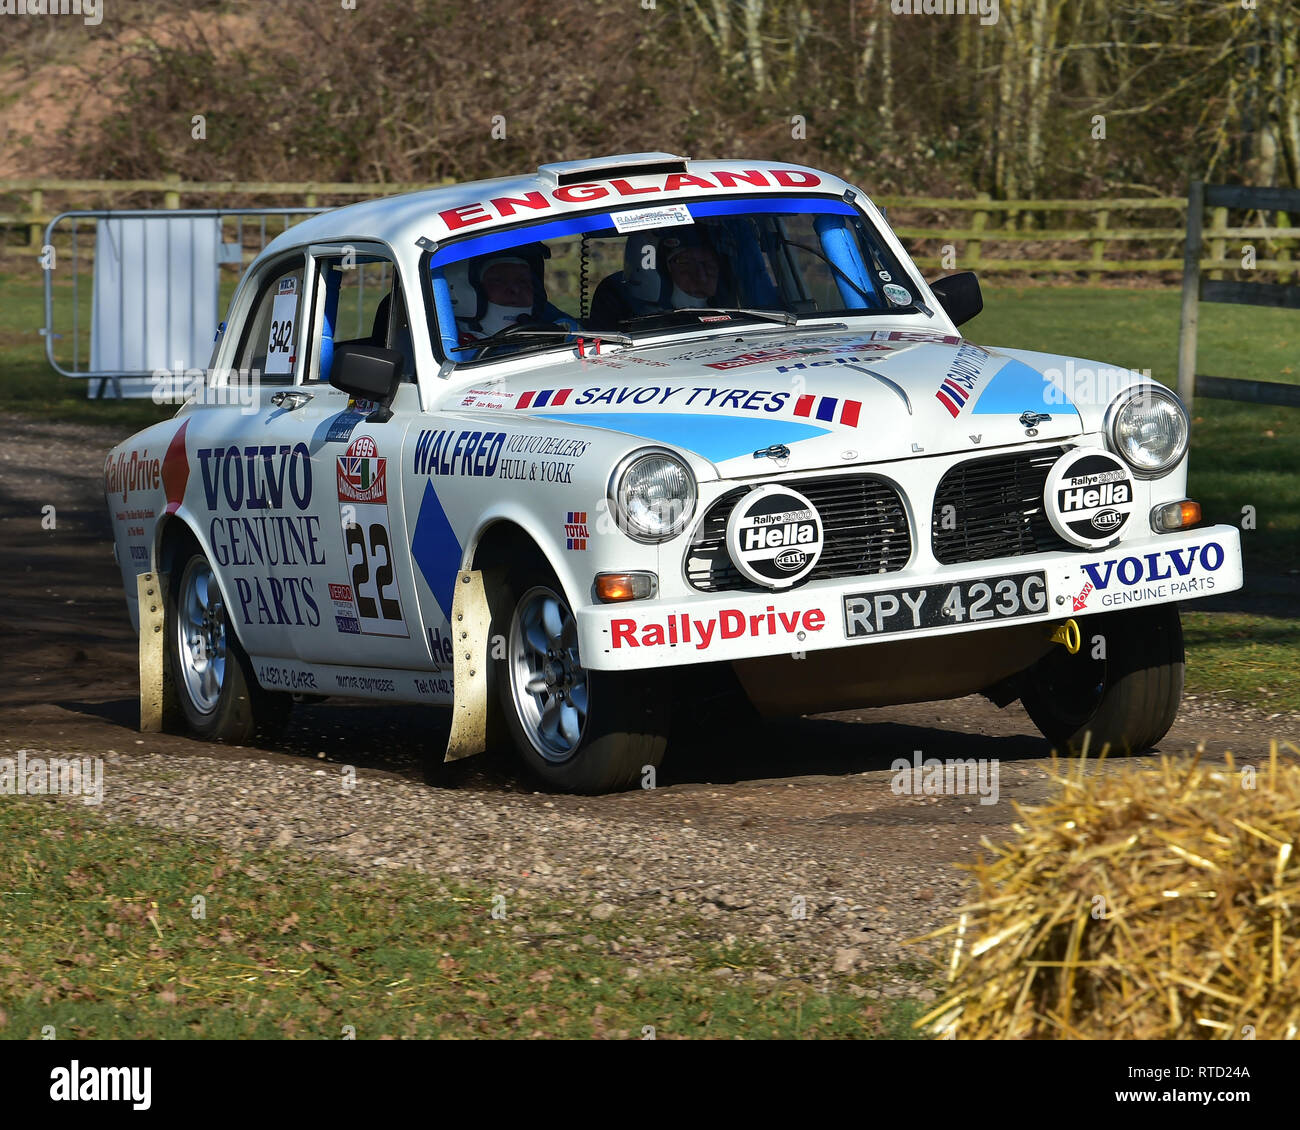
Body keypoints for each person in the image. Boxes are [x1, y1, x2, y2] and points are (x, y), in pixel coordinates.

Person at [587, 225, 727, 328]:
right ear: (660, 269)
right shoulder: (619, 304)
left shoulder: (742, 308)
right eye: (685, 263)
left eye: (708, 263)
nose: (701, 276)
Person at [449, 246, 579, 347]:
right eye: (498, 281)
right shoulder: (445, 348)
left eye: (523, 281)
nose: (515, 290)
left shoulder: (560, 326)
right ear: (462, 290)